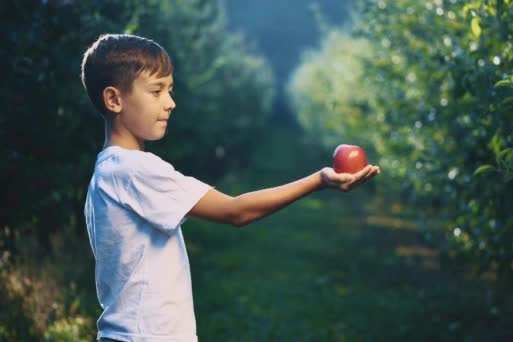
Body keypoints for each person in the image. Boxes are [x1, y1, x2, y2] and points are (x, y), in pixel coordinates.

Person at [81, 33, 380, 342]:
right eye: (156, 91)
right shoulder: (134, 170)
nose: (170, 103)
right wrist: (319, 180)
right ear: (114, 99)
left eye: (170, 90)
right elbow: (236, 211)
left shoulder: (107, 171)